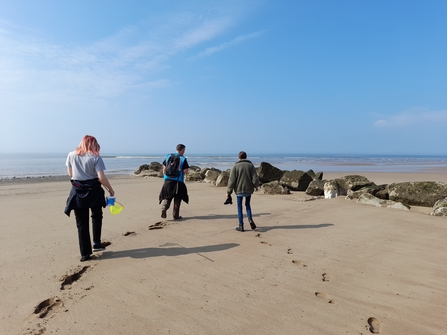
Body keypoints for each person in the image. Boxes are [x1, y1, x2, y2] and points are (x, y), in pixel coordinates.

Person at [64, 135, 115, 262]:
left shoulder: (71, 155)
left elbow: (70, 174)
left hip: (77, 191)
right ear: (94, 144)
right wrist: (110, 189)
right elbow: (101, 178)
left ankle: (85, 254)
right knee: (97, 216)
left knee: (81, 223)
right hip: (94, 191)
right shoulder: (96, 157)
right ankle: (96, 243)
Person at [226, 151, 260, 232]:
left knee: (239, 206)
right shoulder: (251, 166)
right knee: (247, 204)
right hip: (248, 189)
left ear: (239, 157)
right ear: (246, 157)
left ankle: (241, 225)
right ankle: (250, 219)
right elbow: (255, 179)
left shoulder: (235, 166)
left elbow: (231, 181)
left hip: (239, 190)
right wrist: (256, 187)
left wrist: (228, 192)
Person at [159, 144, 189, 220]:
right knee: (177, 198)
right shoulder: (182, 159)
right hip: (178, 181)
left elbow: (164, 168)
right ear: (182, 150)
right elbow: (185, 171)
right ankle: (176, 215)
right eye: (184, 150)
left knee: (167, 196)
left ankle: (164, 208)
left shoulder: (168, 156)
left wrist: (165, 177)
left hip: (167, 180)